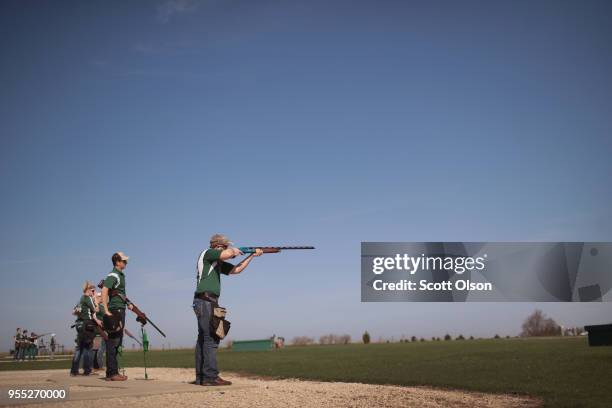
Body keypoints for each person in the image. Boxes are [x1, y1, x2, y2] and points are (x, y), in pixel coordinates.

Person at [192, 234, 262, 386]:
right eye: (224, 246)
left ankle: (202, 377)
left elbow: (236, 270)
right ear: (217, 246)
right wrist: (238, 250)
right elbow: (229, 254)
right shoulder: (208, 253)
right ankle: (210, 376)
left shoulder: (216, 262)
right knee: (210, 338)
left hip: (208, 301)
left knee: (204, 339)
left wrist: (251, 256)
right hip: (205, 301)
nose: (226, 249)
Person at [101, 251, 139, 381]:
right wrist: (106, 309)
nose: (126, 262)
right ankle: (112, 373)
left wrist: (126, 303)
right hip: (115, 310)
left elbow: (116, 292)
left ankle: (112, 372)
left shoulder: (120, 275)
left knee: (116, 342)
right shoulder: (114, 275)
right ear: (117, 262)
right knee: (114, 342)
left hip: (120, 308)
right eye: (123, 261)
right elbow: (105, 289)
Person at [70, 282, 98, 376]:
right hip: (87, 324)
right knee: (87, 348)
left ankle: (74, 371)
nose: (94, 292)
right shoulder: (88, 298)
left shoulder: (80, 299)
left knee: (79, 349)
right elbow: (96, 309)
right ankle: (87, 370)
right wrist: (95, 300)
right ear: (88, 290)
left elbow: (74, 311)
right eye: (93, 290)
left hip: (79, 324)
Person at [93, 292, 106, 371]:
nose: (102, 298)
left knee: (100, 350)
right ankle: (97, 366)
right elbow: (93, 314)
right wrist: (97, 320)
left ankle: (99, 366)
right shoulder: (96, 306)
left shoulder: (102, 306)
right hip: (97, 331)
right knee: (97, 349)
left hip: (103, 330)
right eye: (101, 296)